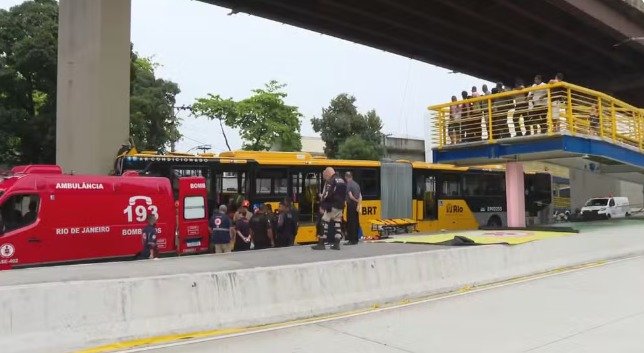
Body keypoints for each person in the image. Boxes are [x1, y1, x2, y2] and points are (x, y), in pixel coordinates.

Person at [312, 167, 347, 250]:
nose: (325, 177)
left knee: (324, 222)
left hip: (331, 205)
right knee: (337, 223)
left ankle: (321, 243)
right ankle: (337, 243)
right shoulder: (341, 180)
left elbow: (327, 194)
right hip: (340, 206)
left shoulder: (331, 181)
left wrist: (323, 204)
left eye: (325, 175)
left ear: (328, 173)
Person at [344, 171, 362, 245]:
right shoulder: (356, 184)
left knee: (351, 223)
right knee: (356, 222)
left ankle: (351, 240)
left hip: (351, 205)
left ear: (346, 177)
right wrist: (358, 202)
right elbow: (360, 195)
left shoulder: (348, 185)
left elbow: (350, 196)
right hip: (356, 206)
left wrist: (356, 200)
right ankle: (356, 239)